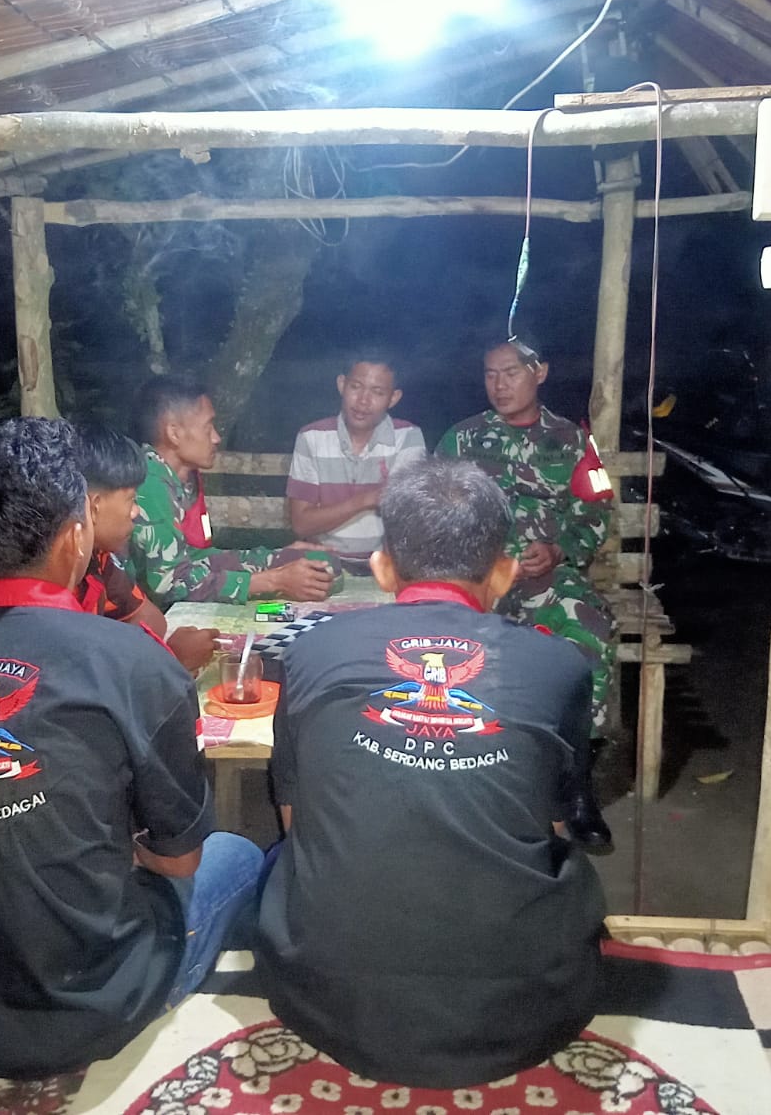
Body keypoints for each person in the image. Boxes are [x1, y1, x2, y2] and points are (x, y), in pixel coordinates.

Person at [0, 418, 263, 1079]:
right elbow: (177, 861)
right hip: (81, 1010)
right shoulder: (136, 664)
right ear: (76, 533)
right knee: (237, 855)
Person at [256, 458, 606, 1087]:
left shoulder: (311, 652)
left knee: (274, 862)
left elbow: (294, 818)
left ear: (382, 567)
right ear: (503, 572)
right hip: (522, 1010)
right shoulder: (560, 666)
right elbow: (556, 824)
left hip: (329, 1004)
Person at [437, 335, 616, 847]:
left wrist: (559, 550)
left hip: (545, 578)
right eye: (490, 374)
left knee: (589, 632)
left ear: (539, 373)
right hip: (475, 579)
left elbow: (596, 511)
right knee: (448, 644)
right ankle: (467, 783)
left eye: (510, 372)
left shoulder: (572, 441)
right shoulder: (461, 439)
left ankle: (575, 788)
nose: (499, 385)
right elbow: (432, 508)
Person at [0, 423, 219, 672]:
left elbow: (147, 622)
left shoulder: (98, 560)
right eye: (131, 499)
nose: (136, 512)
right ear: (90, 506)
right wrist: (163, 660)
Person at [128, 375, 335, 607]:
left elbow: (195, 559)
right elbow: (172, 583)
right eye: (208, 426)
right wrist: (273, 581)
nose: (216, 437)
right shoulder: (150, 484)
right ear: (174, 433)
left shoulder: (172, 479)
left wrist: (273, 559)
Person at [285, 349, 427, 559]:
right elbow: (301, 524)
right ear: (342, 385)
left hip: (385, 565)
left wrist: (386, 568)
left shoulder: (407, 437)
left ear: (393, 398)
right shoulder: (312, 437)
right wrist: (365, 500)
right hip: (324, 563)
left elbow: (406, 519)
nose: (363, 401)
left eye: (377, 392)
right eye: (356, 387)